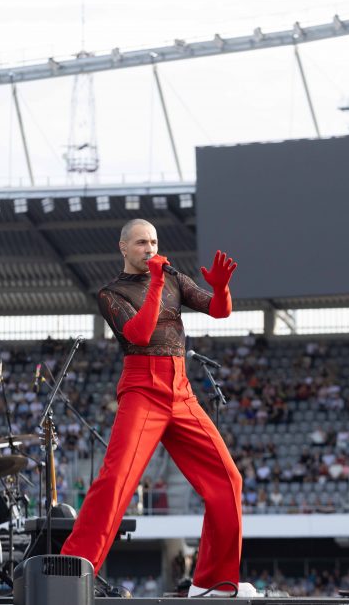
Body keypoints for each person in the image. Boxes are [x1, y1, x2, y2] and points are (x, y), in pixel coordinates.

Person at [60, 218, 258, 598]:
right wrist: (153, 281)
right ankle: (70, 574)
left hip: (181, 389)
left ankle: (214, 583)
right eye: (140, 243)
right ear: (123, 247)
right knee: (116, 481)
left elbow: (218, 310)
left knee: (228, 479)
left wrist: (221, 287)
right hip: (142, 390)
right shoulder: (111, 293)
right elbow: (140, 333)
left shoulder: (174, 278)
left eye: (153, 241)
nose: (149, 249)